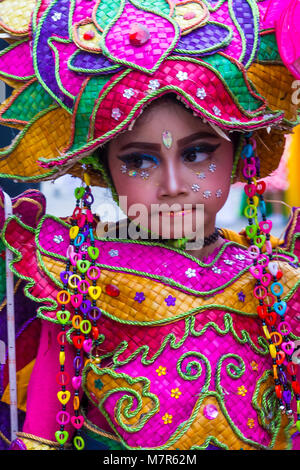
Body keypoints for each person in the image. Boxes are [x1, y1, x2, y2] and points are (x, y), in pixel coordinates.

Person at [0, 0, 300, 451]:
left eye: (197, 153)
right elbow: (42, 430)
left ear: (239, 154)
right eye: (140, 161)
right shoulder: (76, 270)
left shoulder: (276, 277)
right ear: (101, 170)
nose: (173, 186)